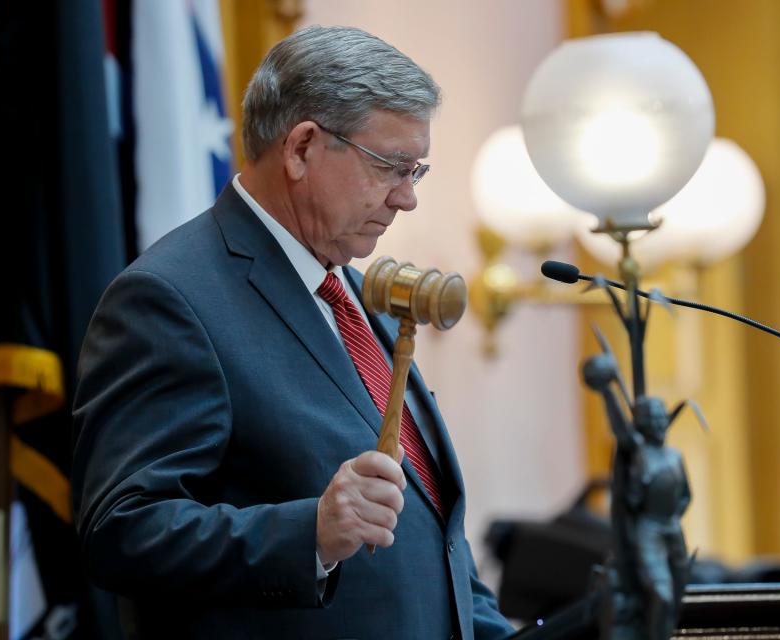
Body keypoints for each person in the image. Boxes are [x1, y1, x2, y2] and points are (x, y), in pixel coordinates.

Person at [71, 25, 512, 639]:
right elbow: (121, 530)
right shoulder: (169, 299)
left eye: (418, 171)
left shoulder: (357, 295)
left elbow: (430, 547)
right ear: (302, 148)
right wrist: (310, 535)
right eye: (392, 167)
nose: (407, 198)